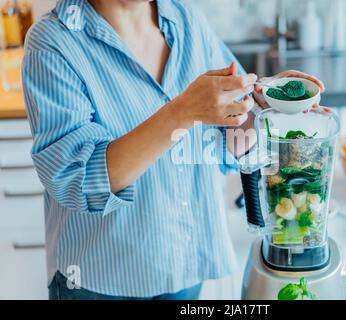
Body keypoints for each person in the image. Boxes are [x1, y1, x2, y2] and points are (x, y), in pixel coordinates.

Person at [22, 0, 325, 300]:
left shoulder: (184, 17)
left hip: (184, 266)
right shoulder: (52, 42)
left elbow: (230, 136)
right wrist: (181, 112)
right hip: (101, 281)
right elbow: (76, 178)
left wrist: (260, 106)